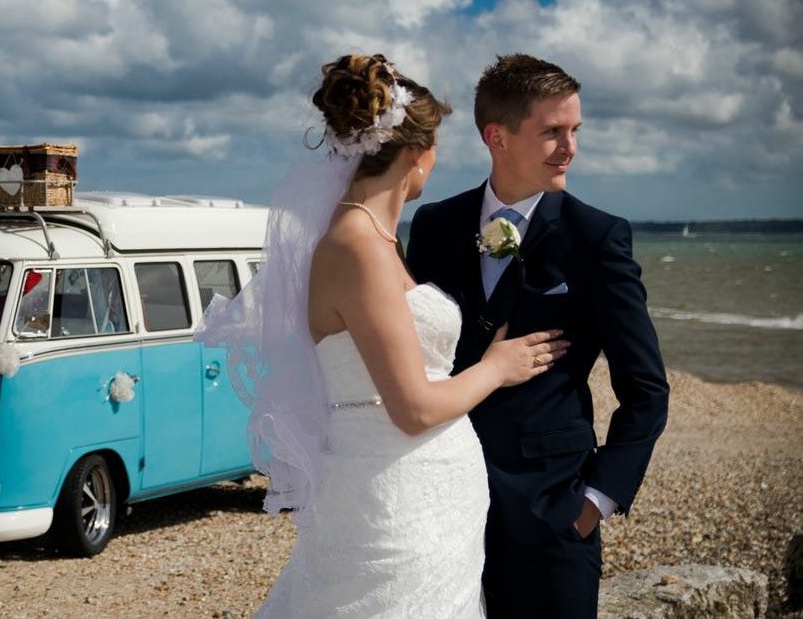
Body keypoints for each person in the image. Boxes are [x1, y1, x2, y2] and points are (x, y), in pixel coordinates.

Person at [198, 53, 567, 617]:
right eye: (435, 149)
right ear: (416, 153)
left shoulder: (371, 240)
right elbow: (413, 410)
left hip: (425, 499)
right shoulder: (358, 248)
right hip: (396, 505)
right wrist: (496, 368)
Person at [407, 53, 670, 618]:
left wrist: (593, 503)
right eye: (552, 131)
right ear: (496, 136)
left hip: (551, 514)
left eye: (575, 130)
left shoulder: (597, 238)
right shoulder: (434, 226)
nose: (569, 147)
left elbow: (647, 388)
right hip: (440, 501)